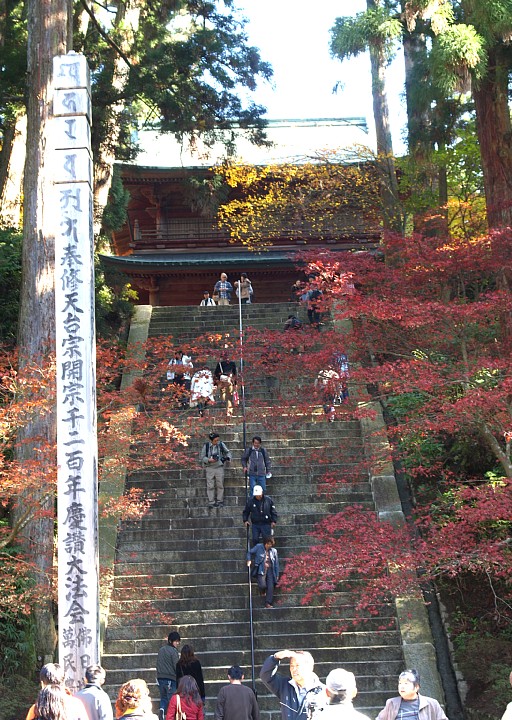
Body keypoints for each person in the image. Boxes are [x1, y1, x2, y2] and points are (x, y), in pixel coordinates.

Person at [259, 650, 324, 720]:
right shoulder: (285, 686)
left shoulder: (322, 692)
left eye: (297, 665)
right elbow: (266, 676)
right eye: (292, 666)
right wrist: (276, 657)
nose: (294, 669)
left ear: (310, 667)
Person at [376, 669, 448, 720]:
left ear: (416, 687)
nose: (402, 686)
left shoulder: (431, 704)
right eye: (400, 683)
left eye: (406, 683)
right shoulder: (391, 703)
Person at [200, 432, 232, 508]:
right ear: (211, 440)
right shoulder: (206, 446)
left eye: (218, 440)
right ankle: (211, 502)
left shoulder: (221, 444)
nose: (217, 442)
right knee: (210, 485)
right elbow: (202, 457)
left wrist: (227, 458)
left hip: (219, 467)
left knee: (220, 485)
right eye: (215, 440)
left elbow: (228, 452)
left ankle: (220, 501)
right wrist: (208, 460)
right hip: (210, 467)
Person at [247, 535, 280, 608]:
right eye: (268, 544)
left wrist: (277, 574)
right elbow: (249, 552)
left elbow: (276, 564)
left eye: (271, 544)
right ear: (265, 543)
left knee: (270, 586)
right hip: (261, 569)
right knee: (262, 585)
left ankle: (268, 602)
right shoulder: (259, 547)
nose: (269, 546)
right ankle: (262, 591)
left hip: (270, 570)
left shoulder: (274, 551)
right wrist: (249, 560)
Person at [156, 631, 181, 716]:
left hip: (160, 678)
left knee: (163, 697)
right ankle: (171, 716)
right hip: (170, 679)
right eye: (176, 641)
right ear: (171, 641)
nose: (177, 643)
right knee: (171, 700)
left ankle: (162, 709)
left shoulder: (161, 650)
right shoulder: (173, 651)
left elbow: (158, 663)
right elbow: (176, 666)